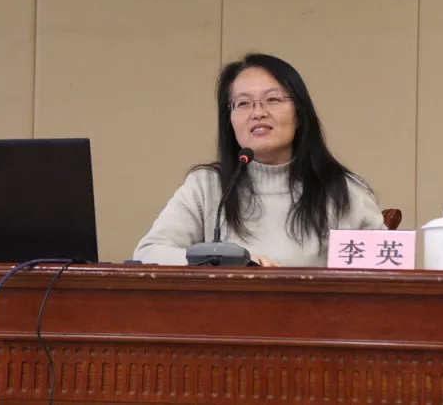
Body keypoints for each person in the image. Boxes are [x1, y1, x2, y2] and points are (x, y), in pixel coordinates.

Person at [133, 53, 386, 267]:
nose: (258, 113)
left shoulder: (343, 191)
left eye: (272, 99)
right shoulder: (207, 186)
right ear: (230, 120)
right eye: (243, 103)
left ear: (299, 113)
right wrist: (226, 262)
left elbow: (386, 270)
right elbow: (148, 253)